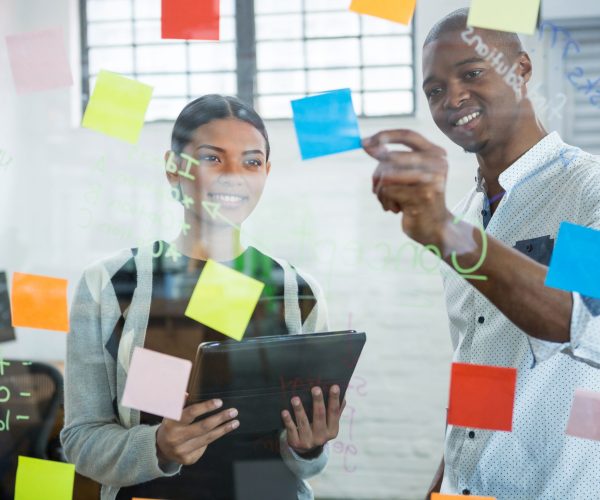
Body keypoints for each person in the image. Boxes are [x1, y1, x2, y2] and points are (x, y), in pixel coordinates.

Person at [362, 8, 600, 499]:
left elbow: (570, 319)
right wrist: (446, 484)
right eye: (433, 90)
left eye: (472, 73)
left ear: (523, 70)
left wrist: (444, 233)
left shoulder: (586, 190)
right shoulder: (468, 213)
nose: (452, 99)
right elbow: (483, 367)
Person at [61, 95, 346, 500]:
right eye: (213, 158)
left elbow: (307, 460)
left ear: (266, 171)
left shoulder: (295, 292)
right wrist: (157, 445)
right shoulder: (110, 284)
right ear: (174, 168)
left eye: (251, 162)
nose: (234, 176)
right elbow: (81, 439)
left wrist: (310, 445)